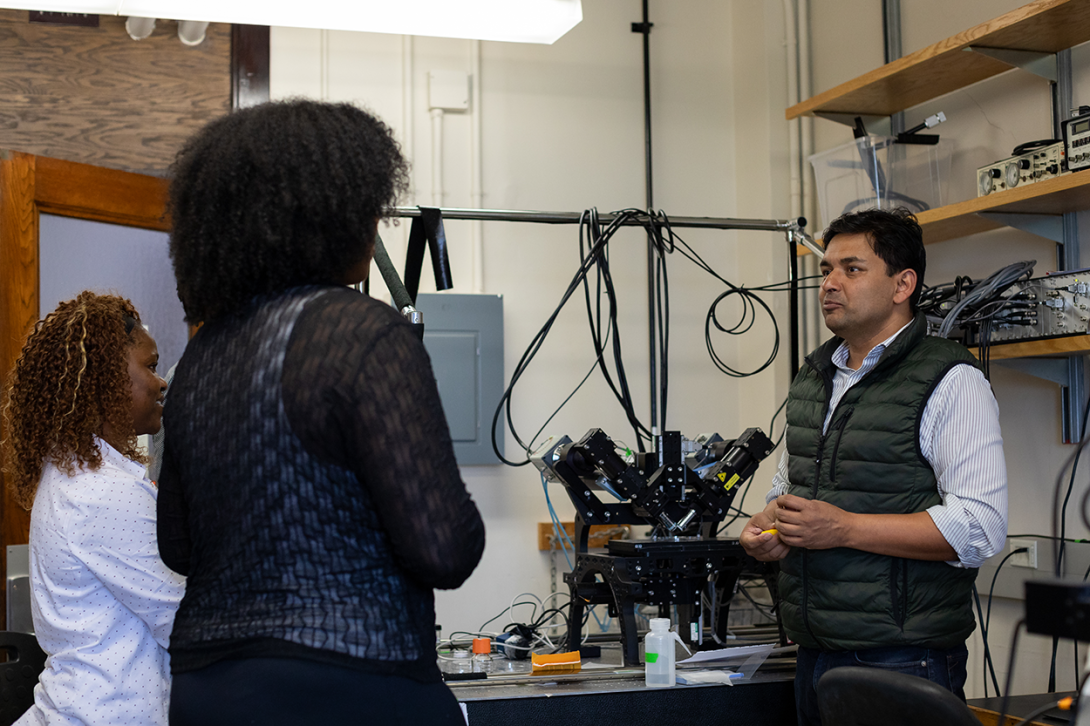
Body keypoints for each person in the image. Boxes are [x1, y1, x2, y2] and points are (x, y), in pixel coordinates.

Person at [157, 99, 486, 725]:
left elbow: (177, 548)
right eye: (368, 206)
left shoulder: (203, 356)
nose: (375, 224)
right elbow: (445, 549)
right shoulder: (361, 331)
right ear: (326, 215)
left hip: (209, 692)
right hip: (350, 684)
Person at [740, 207, 1007, 726]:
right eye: (826, 270)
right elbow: (788, 491)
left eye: (852, 269)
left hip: (903, 656)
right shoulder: (814, 377)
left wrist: (842, 528)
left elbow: (980, 529)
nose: (830, 284)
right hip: (814, 651)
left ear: (902, 283)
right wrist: (768, 528)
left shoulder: (950, 379)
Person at [1, 291, 184, 726]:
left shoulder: (73, 474)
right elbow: (185, 620)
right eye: (151, 366)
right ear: (106, 377)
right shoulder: (101, 493)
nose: (161, 383)